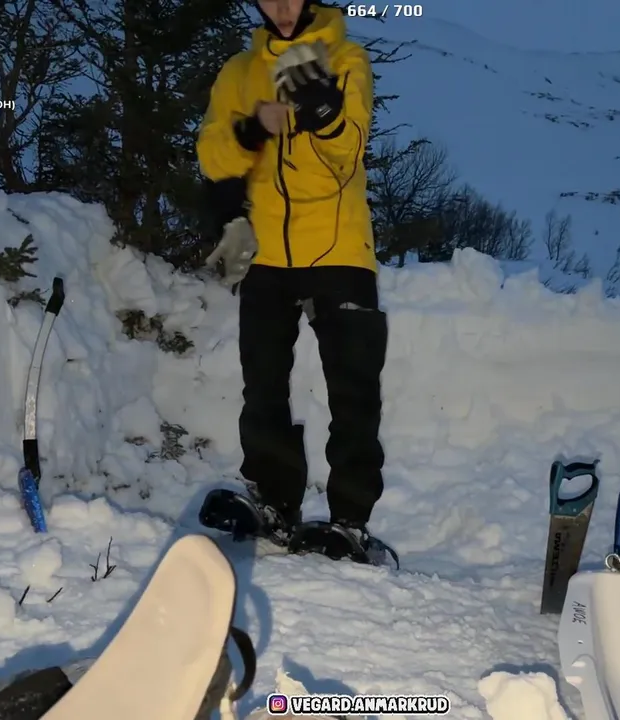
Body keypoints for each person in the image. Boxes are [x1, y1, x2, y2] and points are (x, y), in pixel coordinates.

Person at [194, 0, 392, 565]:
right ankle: (275, 502)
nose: (281, 8)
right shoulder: (240, 71)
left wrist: (322, 109)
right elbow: (213, 156)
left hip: (339, 248)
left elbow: (348, 154)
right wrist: (253, 127)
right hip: (267, 253)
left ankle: (350, 521)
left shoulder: (346, 58)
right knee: (262, 386)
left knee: (353, 393)